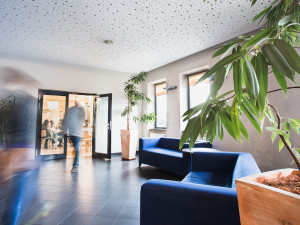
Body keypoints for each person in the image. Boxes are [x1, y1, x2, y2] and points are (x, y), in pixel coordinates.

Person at [0, 67, 39, 225]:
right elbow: (24, 134)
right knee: (14, 202)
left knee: (13, 200)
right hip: (17, 159)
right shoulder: (25, 101)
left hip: (13, 157)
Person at [63, 97, 85, 173]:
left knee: (77, 149)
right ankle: (76, 163)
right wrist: (65, 130)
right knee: (75, 149)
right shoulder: (70, 110)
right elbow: (65, 120)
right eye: (77, 101)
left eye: (79, 101)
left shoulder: (81, 110)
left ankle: (75, 166)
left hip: (78, 133)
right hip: (72, 133)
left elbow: (82, 120)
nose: (77, 102)